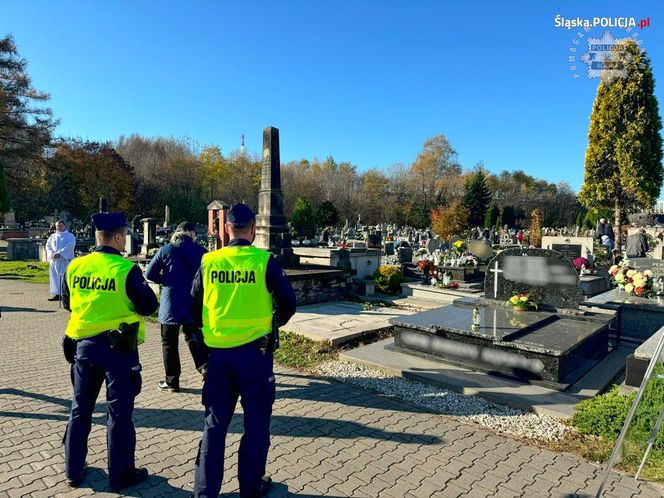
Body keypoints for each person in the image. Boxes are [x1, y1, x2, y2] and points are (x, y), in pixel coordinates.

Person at [192, 203, 296, 498]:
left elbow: (191, 309)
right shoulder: (264, 262)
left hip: (217, 357)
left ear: (227, 229)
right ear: (252, 230)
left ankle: (204, 492)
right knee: (256, 424)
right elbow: (289, 304)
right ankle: (250, 487)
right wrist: (272, 322)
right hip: (255, 358)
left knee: (214, 426)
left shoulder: (209, 262)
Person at [61, 212, 159, 490]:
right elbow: (149, 306)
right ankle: (120, 475)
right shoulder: (125, 269)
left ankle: (73, 470)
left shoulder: (76, 266)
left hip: (84, 348)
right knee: (118, 413)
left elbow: (68, 303)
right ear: (118, 237)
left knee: (80, 409)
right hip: (119, 350)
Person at [144, 221, 208, 392]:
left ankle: (172, 381)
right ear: (192, 234)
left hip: (170, 303)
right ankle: (205, 369)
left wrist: (166, 281)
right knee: (194, 338)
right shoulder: (202, 252)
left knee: (169, 343)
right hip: (192, 303)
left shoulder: (166, 250)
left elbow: (149, 273)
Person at [46, 220, 76, 301]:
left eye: (61, 226)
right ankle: (57, 294)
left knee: (64, 278)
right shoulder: (52, 236)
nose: (59, 227)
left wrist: (59, 254)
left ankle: (65, 294)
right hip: (54, 261)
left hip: (64, 260)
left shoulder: (70, 236)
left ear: (65, 226)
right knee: (55, 278)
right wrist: (52, 254)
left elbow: (69, 246)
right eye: (57, 226)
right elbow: (48, 246)